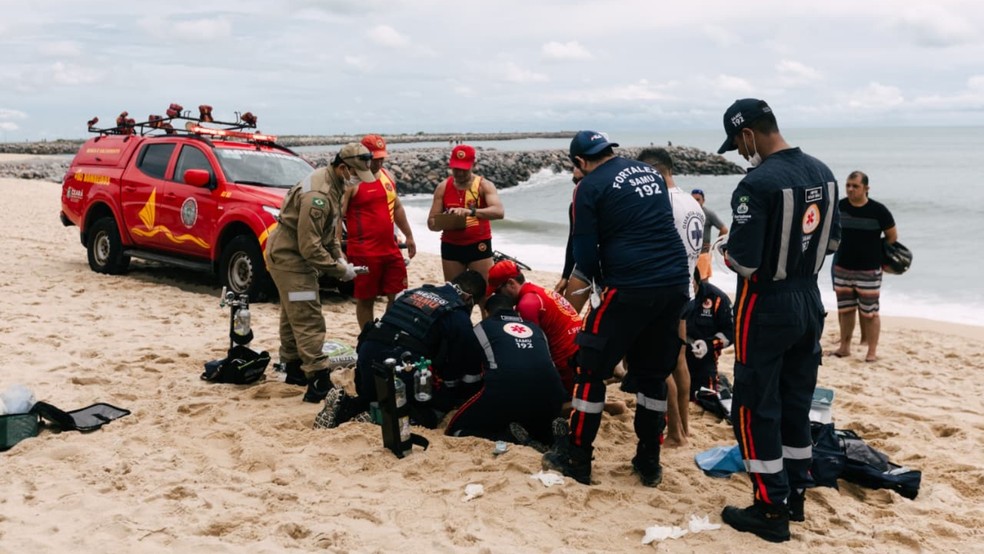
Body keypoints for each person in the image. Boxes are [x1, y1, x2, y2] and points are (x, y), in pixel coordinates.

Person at [715, 98, 840, 542]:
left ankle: (770, 508)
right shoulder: (823, 172)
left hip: (765, 304)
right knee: (796, 399)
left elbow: (745, 261)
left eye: (739, 143)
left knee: (754, 405)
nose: (741, 151)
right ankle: (796, 493)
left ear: (748, 134)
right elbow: (829, 244)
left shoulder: (756, 185)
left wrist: (726, 250)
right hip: (810, 297)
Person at [541, 131, 690, 487]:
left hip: (630, 286)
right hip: (674, 284)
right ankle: (649, 461)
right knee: (653, 375)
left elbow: (585, 254)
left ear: (579, 162)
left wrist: (599, 282)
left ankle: (577, 458)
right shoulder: (649, 173)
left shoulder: (588, 188)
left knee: (590, 368)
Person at [322, 270, 488, 429]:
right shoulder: (457, 314)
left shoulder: (412, 292)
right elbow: (468, 368)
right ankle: (378, 418)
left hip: (367, 360)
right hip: (402, 367)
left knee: (375, 393)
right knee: (433, 411)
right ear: (468, 299)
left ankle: (352, 405)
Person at [265, 143, 365, 403]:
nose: (357, 180)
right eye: (355, 173)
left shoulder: (333, 182)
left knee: (292, 313)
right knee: (308, 316)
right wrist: (338, 270)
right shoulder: (318, 194)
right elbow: (310, 247)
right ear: (343, 167)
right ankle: (317, 380)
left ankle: (293, 367)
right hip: (291, 258)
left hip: (291, 255)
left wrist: (340, 259)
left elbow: (328, 234)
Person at [637, 147, 705, 445]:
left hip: (664, 294)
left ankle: (676, 433)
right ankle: (685, 428)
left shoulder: (661, 203)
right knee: (678, 361)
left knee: (658, 363)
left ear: (654, 171)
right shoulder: (693, 203)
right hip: (686, 290)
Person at [445, 294, 568, 448]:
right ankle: (546, 438)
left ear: (487, 312)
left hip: (506, 390)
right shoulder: (536, 329)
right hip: (552, 395)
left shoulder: (481, 328)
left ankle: (509, 438)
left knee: (456, 430)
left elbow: (472, 376)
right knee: (534, 424)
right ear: (514, 310)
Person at [340, 134, 417, 331]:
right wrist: (337, 250)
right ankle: (367, 335)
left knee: (398, 294)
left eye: (381, 158)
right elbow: (336, 217)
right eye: (374, 159)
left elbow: (397, 207)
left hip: (389, 247)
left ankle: (385, 330)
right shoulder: (351, 182)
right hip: (363, 251)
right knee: (366, 298)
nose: (378, 163)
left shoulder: (387, 176)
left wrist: (409, 236)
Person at [486, 259, 581, 396]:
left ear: (511, 283)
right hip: (579, 351)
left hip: (567, 361)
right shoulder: (538, 291)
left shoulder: (526, 305)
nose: (498, 296)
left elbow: (532, 351)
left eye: (498, 291)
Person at [830, 170, 897, 362]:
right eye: (848, 186)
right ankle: (844, 347)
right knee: (845, 310)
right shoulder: (839, 207)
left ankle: (872, 351)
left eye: (855, 186)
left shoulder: (878, 211)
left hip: (869, 270)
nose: (850, 189)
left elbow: (892, 236)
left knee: (870, 312)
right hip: (842, 267)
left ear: (866, 188)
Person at [426, 144, 505, 285]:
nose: (460, 173)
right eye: (456, 169)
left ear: (473, 165)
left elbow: (499, 212)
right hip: (451, 246)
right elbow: (431, 223)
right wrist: (446, 220)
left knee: (484, 294)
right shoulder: (443, 187)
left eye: (464, 169)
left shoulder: (484, 185)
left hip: (478, 245)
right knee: (454, 294)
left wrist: (471, 212)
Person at [684, 267, 734, 398]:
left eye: (690, 284)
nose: (687, 289)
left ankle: (720, 381)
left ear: (697, 281)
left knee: (704, 396)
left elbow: (730, 332)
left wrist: (709, 345)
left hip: (704, 358)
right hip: (675, 356)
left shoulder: (717, 298)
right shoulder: (672, 294)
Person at [553, 167, 592, 314]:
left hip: (610, 267)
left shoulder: (609, 200)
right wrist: (565, 276)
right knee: (567, 315)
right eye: (576, 182)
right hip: (584, 265)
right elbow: (573, 240)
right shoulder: (574, 206)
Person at [691, 188, 729, 281]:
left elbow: (724, 229)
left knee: (703, 282)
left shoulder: (708, 213)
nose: (695, 202)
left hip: (702, 254)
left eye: (698, 200)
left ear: (703, 201)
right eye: (693, 199)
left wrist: (715, 245)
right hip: (690, 254)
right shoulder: (688, 212)